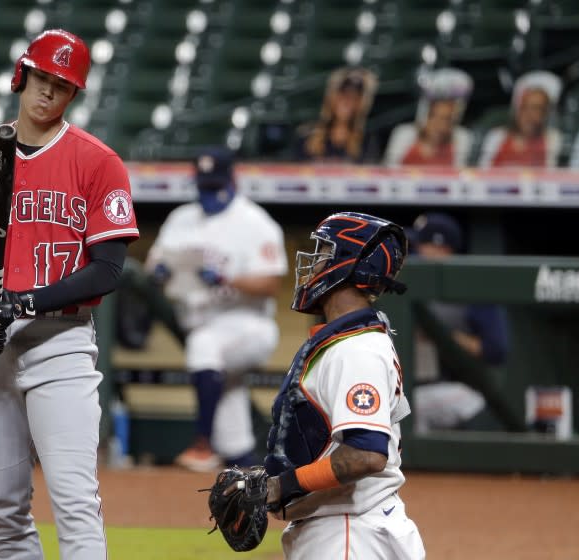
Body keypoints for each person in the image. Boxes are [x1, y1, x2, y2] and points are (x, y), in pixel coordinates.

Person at [0, 29, 139, 559]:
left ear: (74, 95)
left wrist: (24, 302)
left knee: (73, 500)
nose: (48, 92)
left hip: (60, 343)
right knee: (3, 510)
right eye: (42, 78)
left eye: (62, 86)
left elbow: (108, 270)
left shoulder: (97, 161)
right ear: (22, 76)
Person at [262, 212, 425, 559]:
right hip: (346, 528)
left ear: (349, 265)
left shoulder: (356, 351)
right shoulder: (348, 342)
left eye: (323, 251)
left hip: (351, 534)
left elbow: (365, 455)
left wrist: (281, 485)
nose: (314, 262)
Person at [145, 146, 288, 471]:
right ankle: (247, 472)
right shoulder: (180, 218)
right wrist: (160, 270)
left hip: (247, 324)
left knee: (203, 347)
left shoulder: (255, 222)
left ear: (232, 180)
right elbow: (155, 261)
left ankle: (201, 444)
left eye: (214, 186)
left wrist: (227, 278)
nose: (208, 193)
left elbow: (271, 284)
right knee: (230, 414)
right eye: (203, 186)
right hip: (198, 318)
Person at [410, 212, 509, 432]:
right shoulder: (405, 288)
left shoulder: (470, 291)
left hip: (451, 388)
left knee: (415, 407)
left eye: (422, 246)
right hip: (407, 387)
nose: (416, 254)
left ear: (441, 248)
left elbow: (496, 350)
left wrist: (442, 336)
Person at [384, 68, 474, 167]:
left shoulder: (461, 138)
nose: (440, 126)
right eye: (434, 117)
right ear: (424, 115)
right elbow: (389, 173)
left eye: (447, 120)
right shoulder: (404, 134)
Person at [479, 70, 562, 168]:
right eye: (524, 107)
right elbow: (482, 176)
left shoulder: (552, 140)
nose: (528, 115)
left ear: (546, 113)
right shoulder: (496, 138)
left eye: (536, 109)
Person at [294, 67, 378, 163]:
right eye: (343, 94)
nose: (347, 102)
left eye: (355, 97)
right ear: (332, 97)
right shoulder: (306, 136)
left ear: (361, 104)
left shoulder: (366, 141)